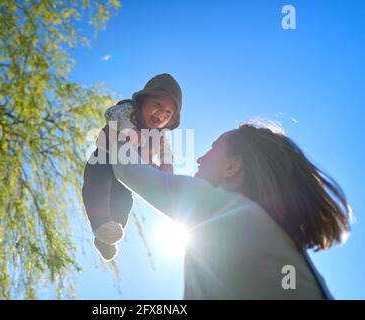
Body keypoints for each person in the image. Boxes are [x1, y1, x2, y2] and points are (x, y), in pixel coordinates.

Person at [109, 122, 351, 299]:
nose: (199, 159)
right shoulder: (282, 244)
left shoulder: (227, 211)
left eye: (213, 147)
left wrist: (117, 129)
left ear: (232, 166)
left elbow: (127, 169)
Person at [82, 73, 183, 261]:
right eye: (158, 105)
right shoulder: (128, 110)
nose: (161, 113)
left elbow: (165, 149)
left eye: (168, 113)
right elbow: (112, 113)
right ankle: (100, 223)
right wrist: (129, 129)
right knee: (98, 185)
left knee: (125, 199)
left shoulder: (158, 135)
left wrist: (166, 163)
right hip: (105, 158)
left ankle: (108, 237)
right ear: (143, 102)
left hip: (126, 173)